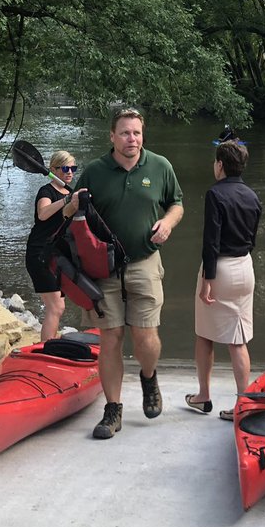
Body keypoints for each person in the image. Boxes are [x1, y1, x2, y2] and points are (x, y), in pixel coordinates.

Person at [74, 107, 184, 439]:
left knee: (145, 337)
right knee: (110, 338)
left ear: (142, 135)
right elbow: (73, 216)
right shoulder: (94, 171)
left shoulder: (160, 166)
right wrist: (71, 204)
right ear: (112, 136)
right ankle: (113, 409)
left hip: (145, 262)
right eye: (124, 132)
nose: (131, 139)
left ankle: (148, 377)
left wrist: (167, 222)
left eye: (136, 132)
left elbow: (176, 204)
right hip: (103, 268)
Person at [185, 140, 262, 421]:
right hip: (245, 267)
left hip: (221, 269)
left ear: (220, 164)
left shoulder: (215, 194)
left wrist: (208, 277)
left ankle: (203, 395)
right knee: (238, 339)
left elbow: (211, 240)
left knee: (205, 334)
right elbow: (252, 238)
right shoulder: (253, 196)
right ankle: (244, 403)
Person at [24, 150, 80, 341]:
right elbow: (43, 213)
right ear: (53, 170)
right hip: (39, 254)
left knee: (57, 306)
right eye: (65, 168)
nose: (70, 172)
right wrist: (66, 200)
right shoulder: (46, 191)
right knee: (56, 306)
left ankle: (49, 345)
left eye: (73, 168)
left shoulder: (72, 193)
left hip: (56, 255)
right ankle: (47, 349)